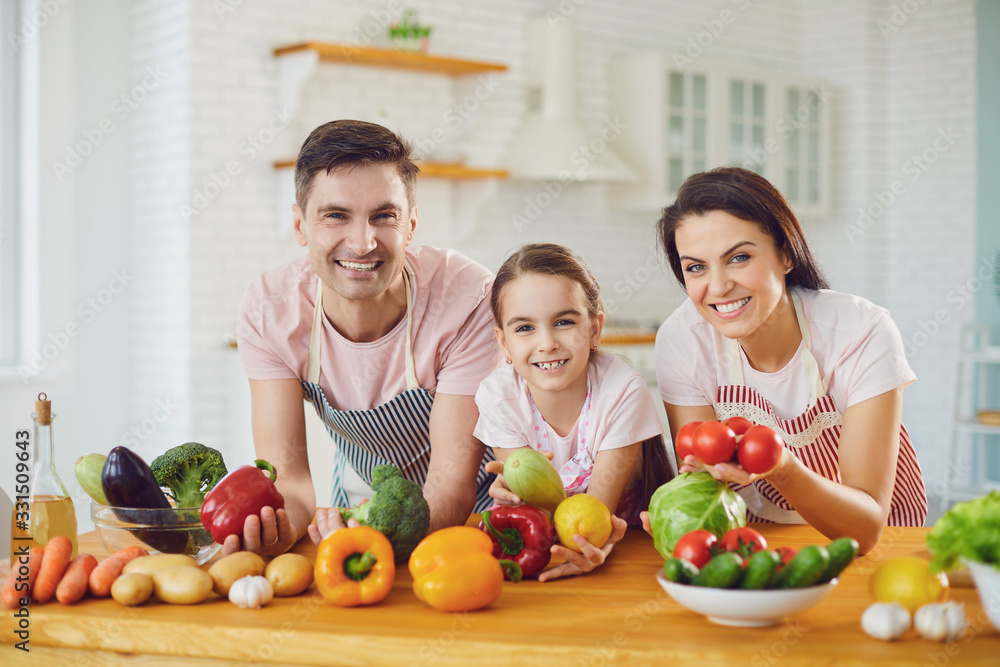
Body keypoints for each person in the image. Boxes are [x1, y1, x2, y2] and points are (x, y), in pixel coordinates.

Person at [231, 119, 499, 555]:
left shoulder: (467, 298)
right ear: (300, 226)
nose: (362, 242)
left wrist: (375, 547)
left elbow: (451, 483)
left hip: (472, 525)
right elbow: (291, 478)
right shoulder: (271, 311)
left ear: (410, 225)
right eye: (336, 216)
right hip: (361, 516)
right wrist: (280, 530)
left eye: (384, 216)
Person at [651, 167, 927, 553]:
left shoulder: (860, 331)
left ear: (785, 253)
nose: (717, 286)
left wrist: (781, 468)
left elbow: (864, 529)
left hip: (873, 542)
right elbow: (706, 482)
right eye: (696, 267)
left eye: (739, 257)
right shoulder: (682, 340)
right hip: (755, 541)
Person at [475, 243, 673, 581]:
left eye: (563, 322)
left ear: (594, 329)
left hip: (627, 556)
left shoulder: (623, 390)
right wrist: (512, 497)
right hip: (541, 550)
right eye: (524, 328)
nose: (547, 342)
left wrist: (585, 548)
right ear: (503, 342)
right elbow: (532, 504)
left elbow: (595, 512)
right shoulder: (498, 396)